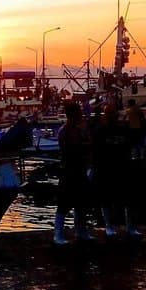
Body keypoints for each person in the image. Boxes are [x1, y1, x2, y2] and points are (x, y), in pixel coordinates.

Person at [92, 104, 140, 238]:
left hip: (122, 167)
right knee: (107, 199)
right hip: (107, 168)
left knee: (128, 200)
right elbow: (96, 152)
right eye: (110, 113)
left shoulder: (122, 129)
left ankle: (130, 227)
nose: (112, 116)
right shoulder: (100, 131)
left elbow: (128, 147)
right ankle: (110, 226)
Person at [55, 101, 92, 244]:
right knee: (64, 203)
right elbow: (73, 148)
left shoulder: (77, 130)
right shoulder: (65, 131)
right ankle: (58, 234)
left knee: (81, 202)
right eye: (79, 113)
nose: (81, 115)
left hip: (79, 169)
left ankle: (81, 231)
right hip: (69, 170)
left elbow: (87, 144)